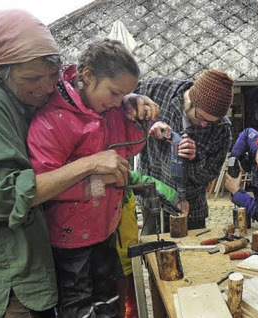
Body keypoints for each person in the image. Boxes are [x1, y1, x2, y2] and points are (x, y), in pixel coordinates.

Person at [0, 10, 152, 318]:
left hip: (34, 255)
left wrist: (128, 103)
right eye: (33, 78)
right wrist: (89, 164)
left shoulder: (25, 96)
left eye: (50, 76)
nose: (47, 87)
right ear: (0, 69)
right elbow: (5, 196)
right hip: (0, 264)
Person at [26, 38, 160, 317]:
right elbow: (41, 186)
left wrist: (137, 117)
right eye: (114, 93)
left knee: (108, 301)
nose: (116, 102)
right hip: (70, 238)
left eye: (123, 95)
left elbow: (131, 147)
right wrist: (98, 178)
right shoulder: (54, 120)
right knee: (77, 306)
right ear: (87, 76)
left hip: (104, 229)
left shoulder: (111, 110)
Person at [135, 69, 233, 234]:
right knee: (152, 251)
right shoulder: (155, 90)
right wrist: (147, 126)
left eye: (210, 122)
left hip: (191, 208)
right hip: (153, 199)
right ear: (191, 99)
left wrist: (194, 160)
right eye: (201, 117)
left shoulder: (221, 129)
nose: (204, 125)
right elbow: (119, 111)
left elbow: (209, 175)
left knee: (192, 256)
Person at [116, 170, 187, 317]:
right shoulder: (101, 183)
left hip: (131, 260)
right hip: (113, 264)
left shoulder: (125, 175)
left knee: (133, 305)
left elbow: (147, 181)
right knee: (117, 309)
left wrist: (174, 198)